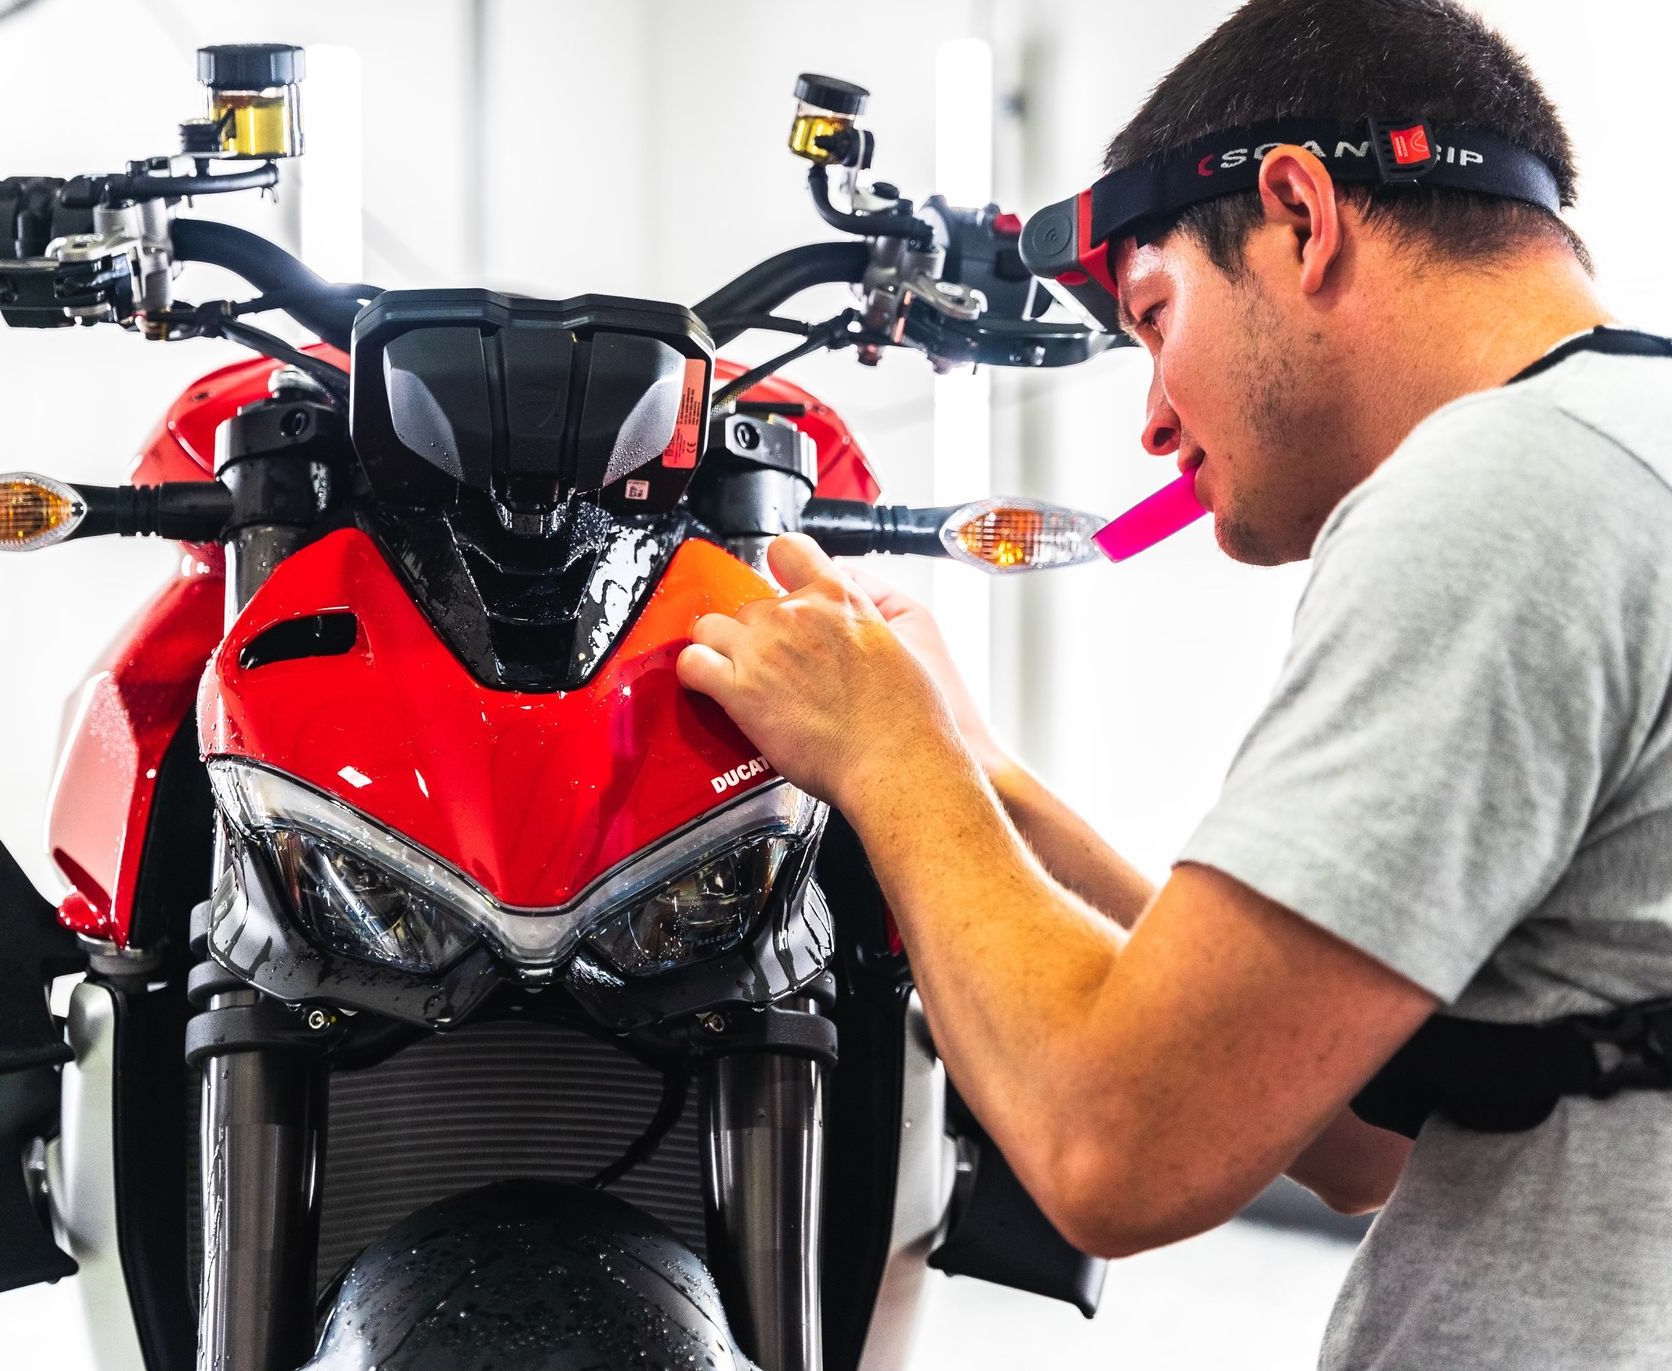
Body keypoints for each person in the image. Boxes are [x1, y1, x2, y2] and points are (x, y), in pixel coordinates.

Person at [676, 0, 1672, 1366]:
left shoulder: (1508, 494)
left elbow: (1118, 1144)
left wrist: (886, 756)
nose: (1152, 420)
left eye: (1154, 317)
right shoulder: (1627, 460)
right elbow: (1359, 1133)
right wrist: (983, 778)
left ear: (1301, 216)